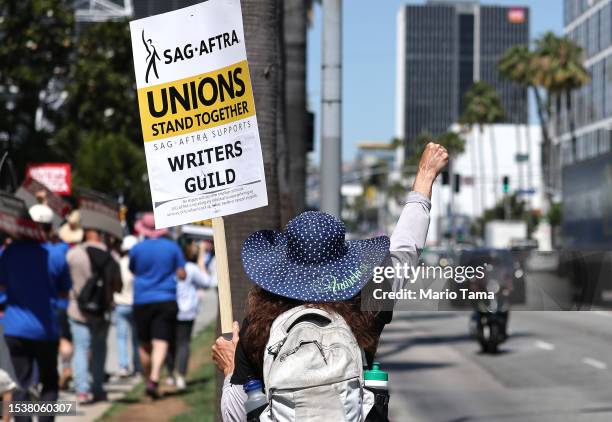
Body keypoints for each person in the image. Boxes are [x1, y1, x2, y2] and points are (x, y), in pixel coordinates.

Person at [212, 142, 448, 421]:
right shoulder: (367, 304)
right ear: (343, 260)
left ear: (282, 266)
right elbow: (405, 250)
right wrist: (424, 176)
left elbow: (237, 415)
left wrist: (230, 371)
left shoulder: (258, 325)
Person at [0, 204, 72, 422]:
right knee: (49, 380)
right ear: (50, 228)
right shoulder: (56, 255)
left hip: (14, 329)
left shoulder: (10, 253)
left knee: (19, 382)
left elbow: (2, 287)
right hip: (46, 330)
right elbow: (64, 291)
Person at [130, 213, 186, 398]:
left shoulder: (136, 249)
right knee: (161, 340)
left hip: (142, 299)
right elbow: (181, 274)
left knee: (145, 344)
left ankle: (149, 381)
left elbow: (133, 269)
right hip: (166, 298)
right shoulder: (172, 247)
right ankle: (154, 378)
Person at [66, 225, 122, 404]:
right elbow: (118, 286)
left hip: (78, 309)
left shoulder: (74, 254)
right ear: (100, 235)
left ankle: (82, 391)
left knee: (81, 349)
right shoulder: (111, 257)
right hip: (101, 311)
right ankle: (98, 388)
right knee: (99, 349)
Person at [166, 240, 211, 390]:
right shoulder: (191, 268)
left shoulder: (170, 266)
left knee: (170, 343)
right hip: (186, 311)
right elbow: (206, 281)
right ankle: (180, 376)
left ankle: (170, 375)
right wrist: (202, 262)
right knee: (183, 343)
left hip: (170, 308)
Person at [114, 235, 141, 378]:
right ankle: (138, 366)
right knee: (136, 338)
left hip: (120, 304)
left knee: (121, 338)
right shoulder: (138, 264)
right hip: (135, 304)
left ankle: (123, 366)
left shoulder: (119, 263)